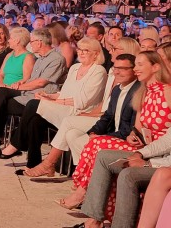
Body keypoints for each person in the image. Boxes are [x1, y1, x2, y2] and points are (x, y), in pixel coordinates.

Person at [61, 51, 171, 213]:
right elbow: (138, 128)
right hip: (143, 146)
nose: (136, 69)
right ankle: (85, 195)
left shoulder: (167, 91)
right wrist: (133, 135)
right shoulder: (144, 92)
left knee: (99, 143)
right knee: (95, 142)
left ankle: (82, 192)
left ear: (155, 67)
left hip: (160, 151)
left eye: (140, 65)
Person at [0, 37, 107, 170]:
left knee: (33, 104)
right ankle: (33, 163)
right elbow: (64, 92)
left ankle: (16, 143)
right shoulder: (75, 68)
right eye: (79, 49)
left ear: (96, 53)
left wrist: (53, 101)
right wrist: (48, 96)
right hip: (62, 108)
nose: (81, 53)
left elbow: (82, 101)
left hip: (79, 112)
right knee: (35, 119)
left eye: (86, 50)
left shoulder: (98, 71)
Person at [0, 28, 67, 156]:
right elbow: (29, 79)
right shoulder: (40, 58)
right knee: (0, 95)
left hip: (39, 98)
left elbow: (41, 83)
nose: (30, 44)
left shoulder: (56, 59)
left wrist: (19, 87)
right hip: (28, 94)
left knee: (0, 101)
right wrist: (21, 83)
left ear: (39, 42)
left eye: (32, 41)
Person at [78, 128, 171, 228]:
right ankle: (94, 221)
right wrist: (140, 153)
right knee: (104, 157)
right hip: (159, 158)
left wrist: (148, 164)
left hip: (163, 167)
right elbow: (167, 140)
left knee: (128, 175)